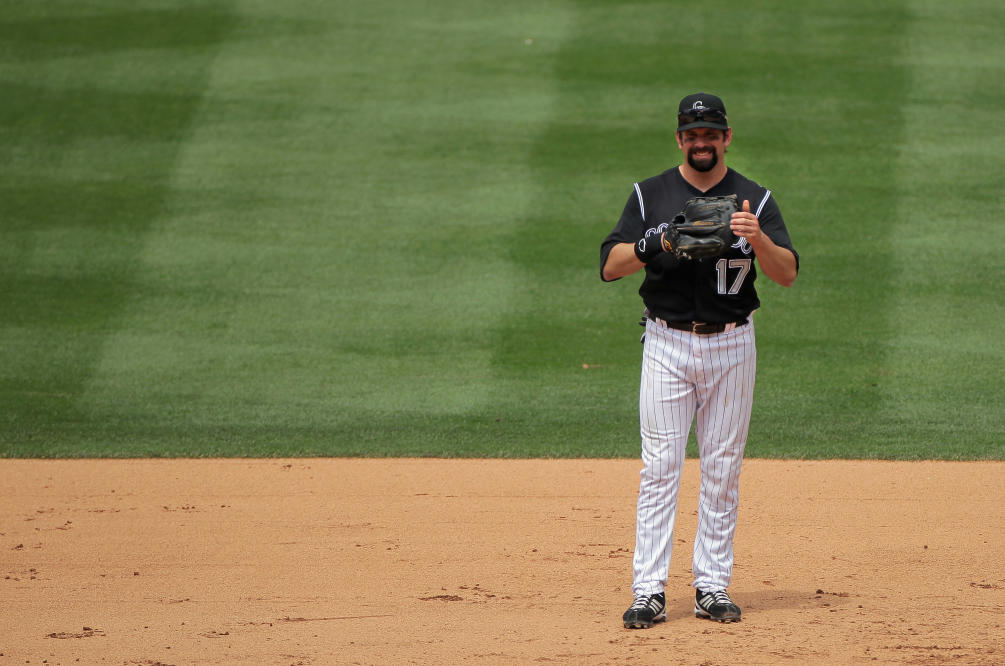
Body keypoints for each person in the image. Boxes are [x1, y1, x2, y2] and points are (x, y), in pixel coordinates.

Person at [600, 92, 799, 629]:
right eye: (692, 134)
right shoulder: (651, 194)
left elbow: (787, 273)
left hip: (733, 345)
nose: (701, 142)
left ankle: (712, 586)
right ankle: (648, 591)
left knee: (721, 469)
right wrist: (653, 243)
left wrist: (757, 239)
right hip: (666, 344)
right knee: (660, 468)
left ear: (726, 137)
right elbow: (610, 267)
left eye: (710, 133)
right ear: (679, 139)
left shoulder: (754, 200)